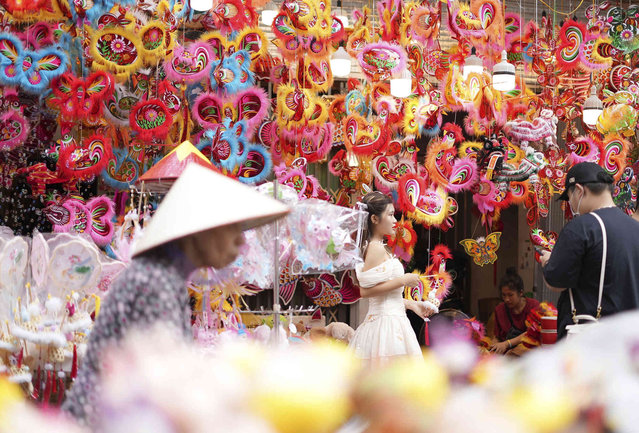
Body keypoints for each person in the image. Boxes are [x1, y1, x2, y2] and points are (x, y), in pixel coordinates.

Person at [62, 163, 289, 426]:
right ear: (201, 232)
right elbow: (160, 381)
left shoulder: (164, 277)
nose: (241, 242)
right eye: (232, 229)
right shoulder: (155, 281)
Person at [540, 162, 639, 339]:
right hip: (630, 340)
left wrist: (548, 260)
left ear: (579, 190)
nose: (570, 203)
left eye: (569, 196)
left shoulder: (581, 227)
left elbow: (555, 282)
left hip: (592, 342)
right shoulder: (634, 228)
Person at [349, 191, 435, 365]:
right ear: (374, 219)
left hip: (393, 321)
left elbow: (385, 294)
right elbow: (365, 291)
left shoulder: (380, 247)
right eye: (390, 215)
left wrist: (412, 305)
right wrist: (403, 280)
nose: (395, 220)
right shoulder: (375, 247)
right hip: (385, 326)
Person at [489, 267, 539, 355]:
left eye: (510, 295)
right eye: (504, 295)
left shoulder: (533, 306)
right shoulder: (499, 310)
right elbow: (497, 337)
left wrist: (507, 344)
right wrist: (493, 347)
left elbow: (531, 334)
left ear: (521, 293)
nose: (507, 299)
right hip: (505, 354)